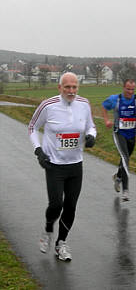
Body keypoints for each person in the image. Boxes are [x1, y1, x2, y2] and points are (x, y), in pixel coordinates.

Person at [28, 72, 96, 261]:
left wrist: (91, 136)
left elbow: (92, 126)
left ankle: (61, 243)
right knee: (56, 204)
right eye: (67, 87)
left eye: (74, 87)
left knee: (71, 206)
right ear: (59, 88)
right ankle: (48, 228)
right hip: (54, 165)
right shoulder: (48, 105)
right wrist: (39, 151)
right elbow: (32, 127)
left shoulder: (84, 104)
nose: (71, 91)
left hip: (75, 165)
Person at [102, 79, 136, 201]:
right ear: (123, 87)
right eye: (128, 89)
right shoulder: (115, 99)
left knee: (126, 158)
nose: (130, 92)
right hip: (119, 133)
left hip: (131, 135)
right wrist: (106, 121)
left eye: (132, 89)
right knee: (125, 158)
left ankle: (118, 177)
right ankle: (125, 191)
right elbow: (104, 106)